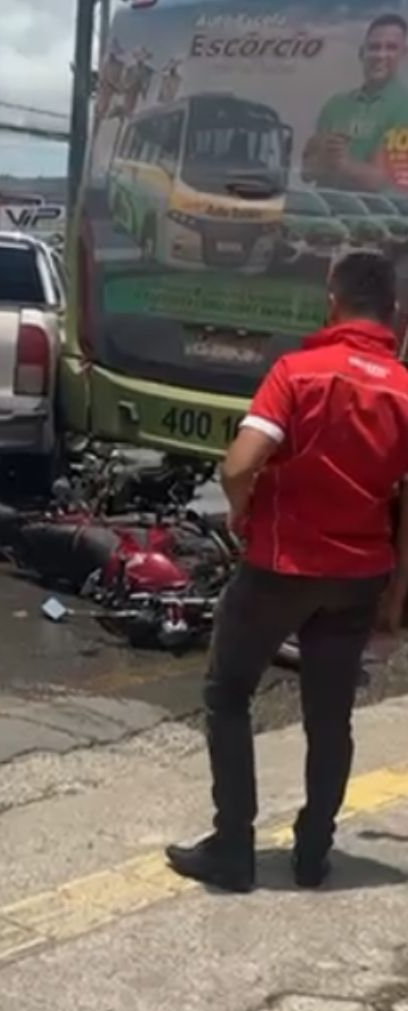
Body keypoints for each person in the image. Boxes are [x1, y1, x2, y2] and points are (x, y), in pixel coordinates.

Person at [167, 251, 408, 892]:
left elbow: (239, 466)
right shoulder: (404, 390)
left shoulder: (297, 374)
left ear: (332, 301)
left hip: (282, 566)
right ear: (395, 315)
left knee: (228, 693)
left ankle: (233, 848)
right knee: (331, 718)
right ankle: (313, 851)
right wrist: (397, 591)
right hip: (358, 579)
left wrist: (244, 519)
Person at [303, 14, 408, 192]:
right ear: (362, 52)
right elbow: (307, 172)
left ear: (403, 54)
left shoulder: (404, 107)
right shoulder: (335, 105)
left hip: (379, 218)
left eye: (390, 48)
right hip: (326, 215)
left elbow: (384, 180)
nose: (381, 55)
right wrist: (320, 161)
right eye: (374, 47)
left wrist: (341, 163)